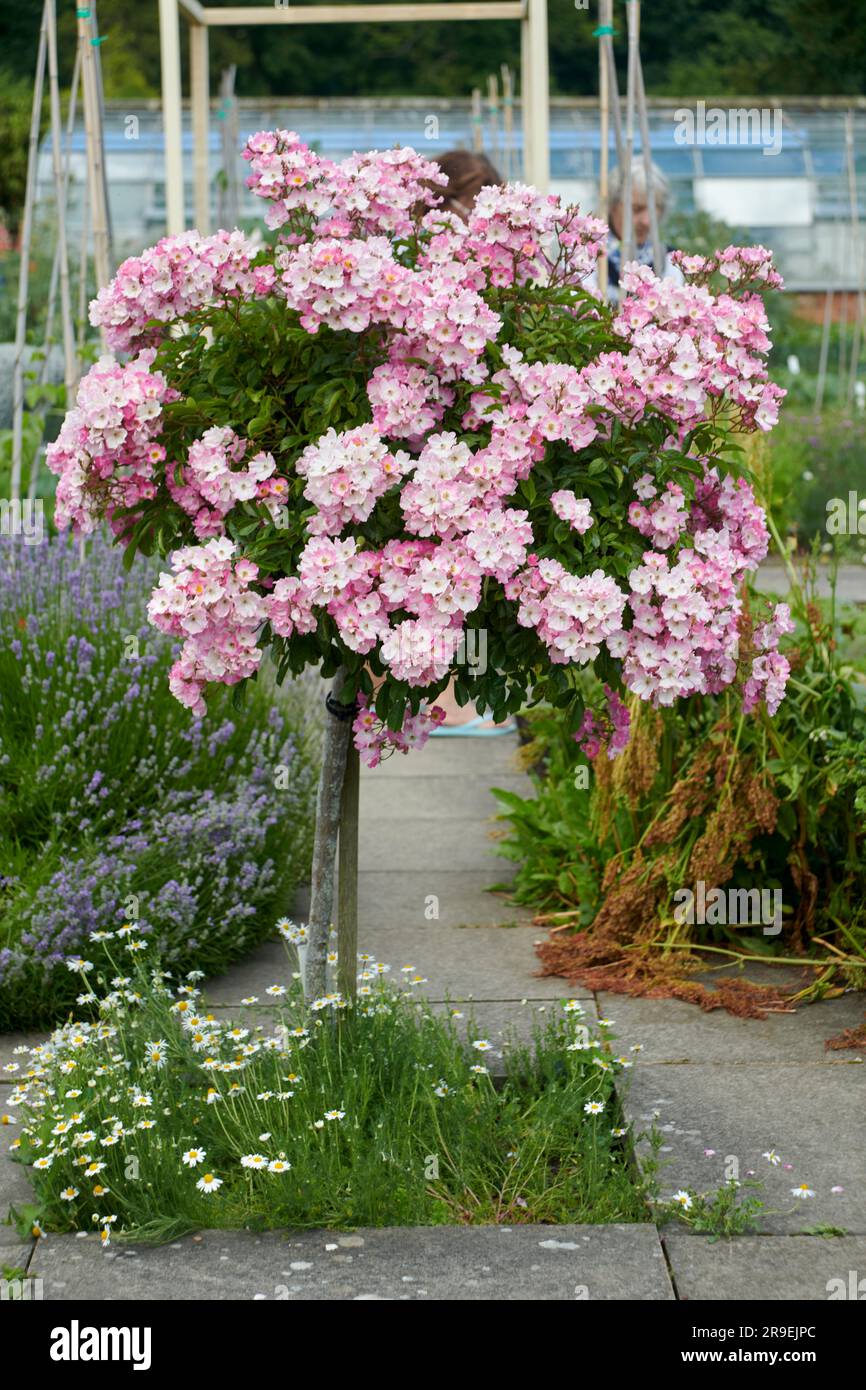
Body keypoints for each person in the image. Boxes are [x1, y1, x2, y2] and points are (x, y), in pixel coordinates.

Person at [422, 151, 517, 736]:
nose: (478, 218)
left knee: (471, 572)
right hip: (426, 428)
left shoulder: (505, 262)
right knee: (431, 566)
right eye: (470, 203)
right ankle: (429, 698)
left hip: (483, 430)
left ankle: (465, 701)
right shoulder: (415, 260)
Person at [592, 157, 684, 304]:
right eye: (636, 209)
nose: (646, 221)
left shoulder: (668, 260)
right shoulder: (588, 256)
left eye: (654, 210)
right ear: (612, 206)